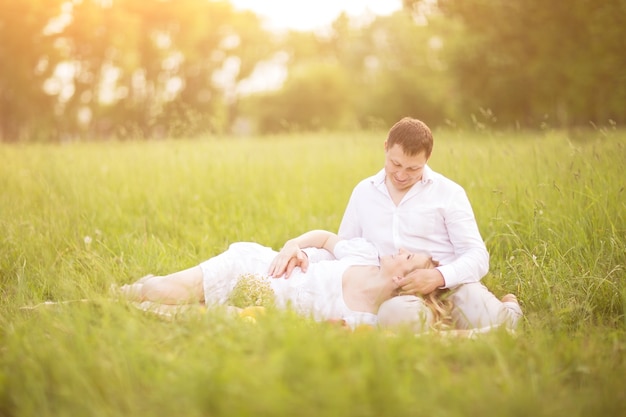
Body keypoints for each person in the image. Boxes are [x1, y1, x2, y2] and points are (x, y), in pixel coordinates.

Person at [271, 117, 522, 332]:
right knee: (395, 317)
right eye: (396, 164)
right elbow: (346, 250)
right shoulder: (364, 192)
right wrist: (301, 251)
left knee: (494, 323)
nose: (402, 175)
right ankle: (435, 327)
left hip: (447, 287)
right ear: (385, 148)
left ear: (428, 158)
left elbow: (477, 256)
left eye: (413, 168)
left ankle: (509, 305)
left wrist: (437, 276)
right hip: (396, 295)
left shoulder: (449, 193)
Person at [118, 230, 442, 330]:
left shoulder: (365, 317)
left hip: (255, 303)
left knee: (188, 309)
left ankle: (141, 290)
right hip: (248, 267)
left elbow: (326, 331)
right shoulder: (362, 255)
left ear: (401, 278)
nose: (400, 250)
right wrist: (292, 245)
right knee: (161, 291)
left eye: (408, 256)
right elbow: (324, 237)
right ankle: (118, 291)